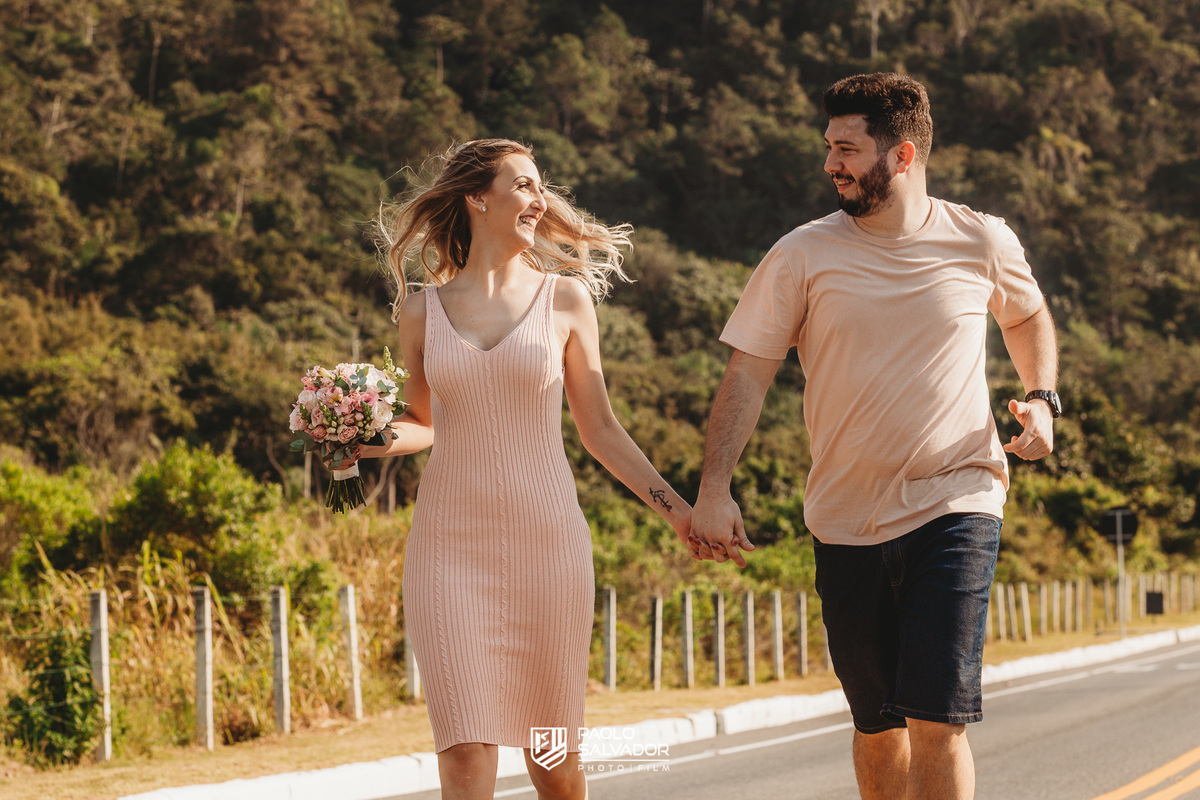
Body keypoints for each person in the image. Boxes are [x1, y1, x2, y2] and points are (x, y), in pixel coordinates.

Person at [690, 73, 1059, 800]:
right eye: (829, 147)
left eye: (849, 149)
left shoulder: (980, 238)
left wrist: (1042, 398)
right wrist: (713, 486)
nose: (833, 164)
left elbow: (1025, 315)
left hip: (958, 500)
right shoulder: (802, 255)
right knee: (876, 725)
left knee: (937, 719)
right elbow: (748, 374)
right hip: (845, 520)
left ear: (904, 154)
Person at [346, 139, 693, 800]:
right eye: (525, 186)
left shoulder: (565, 302)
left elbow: (601, 430)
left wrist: (678, 513)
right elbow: (422, 422)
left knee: (553, 761)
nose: (540, 200)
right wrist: (363, 437)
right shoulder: (421, 310)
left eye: (540, 187)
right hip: (449, 551)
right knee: (464, 752)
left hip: (547, 547)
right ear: (478, 197)